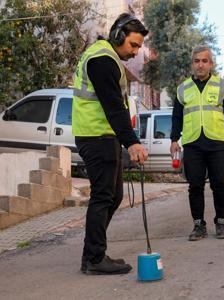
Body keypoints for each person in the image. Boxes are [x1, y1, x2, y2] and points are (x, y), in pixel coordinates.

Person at [72, 13, 149, 275]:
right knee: (103, 196)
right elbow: (113, 107)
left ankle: (93, 254)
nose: (136, 51)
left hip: (102, 136)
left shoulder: (106, 57)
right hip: (96, 136)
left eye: (139, 47)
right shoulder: (103, 60)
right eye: (133, 45)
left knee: (113, 196)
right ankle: (94, 259)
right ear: (118, 36)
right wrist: (132, 143)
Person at [170, 45, 224, 241]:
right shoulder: (182, 88)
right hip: (192, 143)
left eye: (204, 61)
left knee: (219, 185)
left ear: (211, 64)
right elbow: (176, 117)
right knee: (195, 186)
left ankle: (221, 223)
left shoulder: (221, 85)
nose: (200, 65)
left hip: (216, 142)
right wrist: (174, 139)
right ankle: (198, 225)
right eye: (197, 61)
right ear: (192, 64)